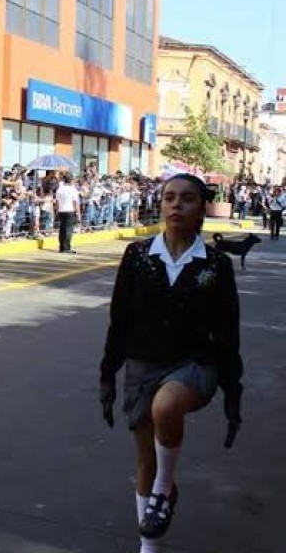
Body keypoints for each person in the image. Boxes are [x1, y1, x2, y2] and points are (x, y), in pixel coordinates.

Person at [99, 174, 242, 552]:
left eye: (188, 199)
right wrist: (107, 376)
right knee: (145, 461)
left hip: (194, 365)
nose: (176, 205)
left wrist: (233, 393)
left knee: (167, 406)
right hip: (143, 366)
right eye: (169, 198)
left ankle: (165, 489)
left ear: (202, 210)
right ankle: (149, 546)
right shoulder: (137, 256)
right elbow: (120, 319)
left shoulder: (216, 265)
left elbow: (228, 332)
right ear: (160, 205)